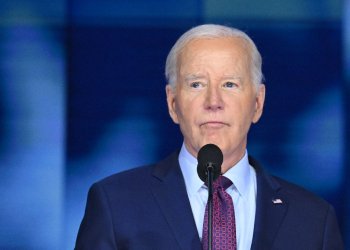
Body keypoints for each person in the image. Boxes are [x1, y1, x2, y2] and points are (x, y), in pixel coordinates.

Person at [74, 24, 344, 250]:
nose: (214, 101)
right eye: (197, 84)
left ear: (258, 103)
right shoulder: (115, 204)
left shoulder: (314, 219)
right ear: (172, 103)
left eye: (230, 84)